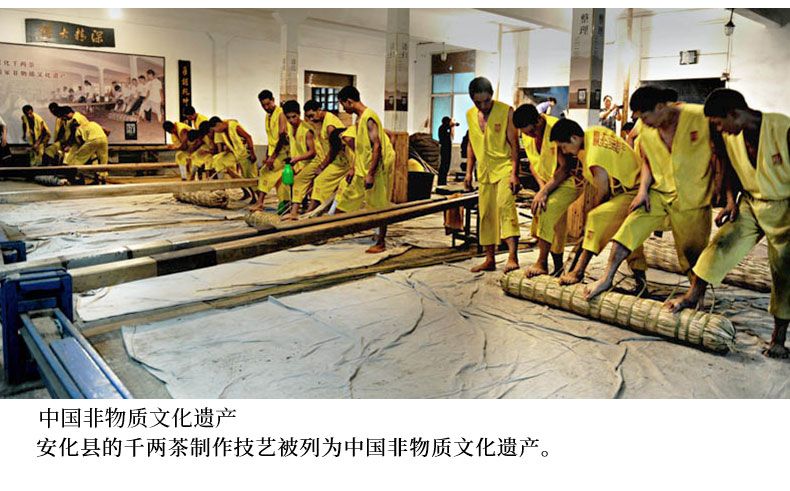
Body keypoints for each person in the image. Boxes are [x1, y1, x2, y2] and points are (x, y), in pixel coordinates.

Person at [665, 88, 789, 358]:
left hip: (785, 206)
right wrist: (731, 201)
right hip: (751, 203)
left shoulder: (782, 128)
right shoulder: (730, 136)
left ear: (734, 114)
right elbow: (730, 168)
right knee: (721, 243)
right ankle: (693, 295)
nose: (719, 129)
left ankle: (778, 337)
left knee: (784, 268)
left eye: (720, 123)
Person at [584, 86, 714, 300]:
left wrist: (724, 190)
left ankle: (696, 295)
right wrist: (642, 191)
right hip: (659, 192)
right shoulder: (646, 128)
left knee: (692, 253)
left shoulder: (699, 117)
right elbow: (647, 161)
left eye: (644, 117)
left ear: (660, 107)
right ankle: (606, 278)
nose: (642, 123)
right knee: (629, 228)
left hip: (694, 197)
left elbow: (722, 151)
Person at [548, 118, 647, 291]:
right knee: (629, 231)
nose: (564, 151)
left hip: (635, 190)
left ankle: (578, 271)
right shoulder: (593, 132)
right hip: (633, 184)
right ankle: (642, 283)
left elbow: (603, 192)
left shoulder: (593, 156)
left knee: (596, 218)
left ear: (573, 138)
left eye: (563, 146)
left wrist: (591, 214)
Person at [464, 76, 520, 273]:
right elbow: (471, 144)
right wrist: (468, 173)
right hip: (484, 171)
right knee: (486, 214)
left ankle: (512, 256)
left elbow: (514, 145)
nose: (483, 106)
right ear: (472, 99)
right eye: (478, 102)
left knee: (505, 206)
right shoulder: (470, 115)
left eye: (487, 101)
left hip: (504, 167)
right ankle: (490, 259)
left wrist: (514, 173)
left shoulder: (506, 111)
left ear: (492, 95)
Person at [513, 103, 577, 277]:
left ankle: (542, 263)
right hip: (549, 181)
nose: (531, 135)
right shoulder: (527, 135)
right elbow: (533, 165)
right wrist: (543, 188)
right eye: (527, 133)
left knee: (546, 210)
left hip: (569, 180)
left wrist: (545, 192)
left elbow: (565, 168)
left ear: (539, 120)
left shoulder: (556, 128)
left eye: (533, 131)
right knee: (556, 223)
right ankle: (558, 267)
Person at [335, 85, 395, 253]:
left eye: (343, 105)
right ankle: (329, 231)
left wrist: (371, 174)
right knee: (346, 199)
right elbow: (360, 148)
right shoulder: (359, 119)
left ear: (349, 101)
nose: (344, 109)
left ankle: (381, 242)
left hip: (373, 171)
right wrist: (353, 168)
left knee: (379, 206)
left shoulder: (369, 117)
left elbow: (377, 146)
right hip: (361, 169)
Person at [303, 99, 346, 212]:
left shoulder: (330, 125)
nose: (311, 119)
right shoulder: (322, 122)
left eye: (312, 115)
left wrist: (322, 166)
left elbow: (334, 149)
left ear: (319, 110)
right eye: (308, 117)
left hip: (341, 162)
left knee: (320, 181)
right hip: (334, 160)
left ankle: (310, 212)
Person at [251, 90, 290, 212]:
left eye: (268, 104)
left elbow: (282, 136)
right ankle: (284, 204)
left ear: (273, 100)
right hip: (274, 152)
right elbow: (271, 138)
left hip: (283, 152)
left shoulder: (281, 114)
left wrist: (272, 157)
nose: (266, 107)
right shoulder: (268, 116)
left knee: (265, 172)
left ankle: (260, 202)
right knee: (280, 180)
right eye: (263, 105)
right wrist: (267, 155)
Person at [282, 100, 321, 220]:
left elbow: (312, 152)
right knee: (290, 179)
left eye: (294, 117)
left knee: (298, 181)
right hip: (302, 161)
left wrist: (297, 158)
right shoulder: (290, 128)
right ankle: (301, 207)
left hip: (316, 160)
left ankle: (294, 212)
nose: (291, 120)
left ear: (299, 114)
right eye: (288, 118)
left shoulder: (307, 130)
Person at [208, 117, 256, 192]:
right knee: (218, 160)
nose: (216, 132)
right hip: (236, 153)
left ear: (218, 124)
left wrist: (252, 153)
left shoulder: (233, 126)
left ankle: (256, 196)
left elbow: (248, 137)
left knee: (249, 176)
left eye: (215, 130)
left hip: (245, 153)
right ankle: (222, 187)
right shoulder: (223, 132)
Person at [438, 116, 456, 185]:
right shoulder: (443, 128)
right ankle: (441, 181)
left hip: (447, 148)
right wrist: (451, 126)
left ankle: (443, 181)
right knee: (444, 165)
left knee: (446, 165)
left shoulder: (445, 127)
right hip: (445, 148)